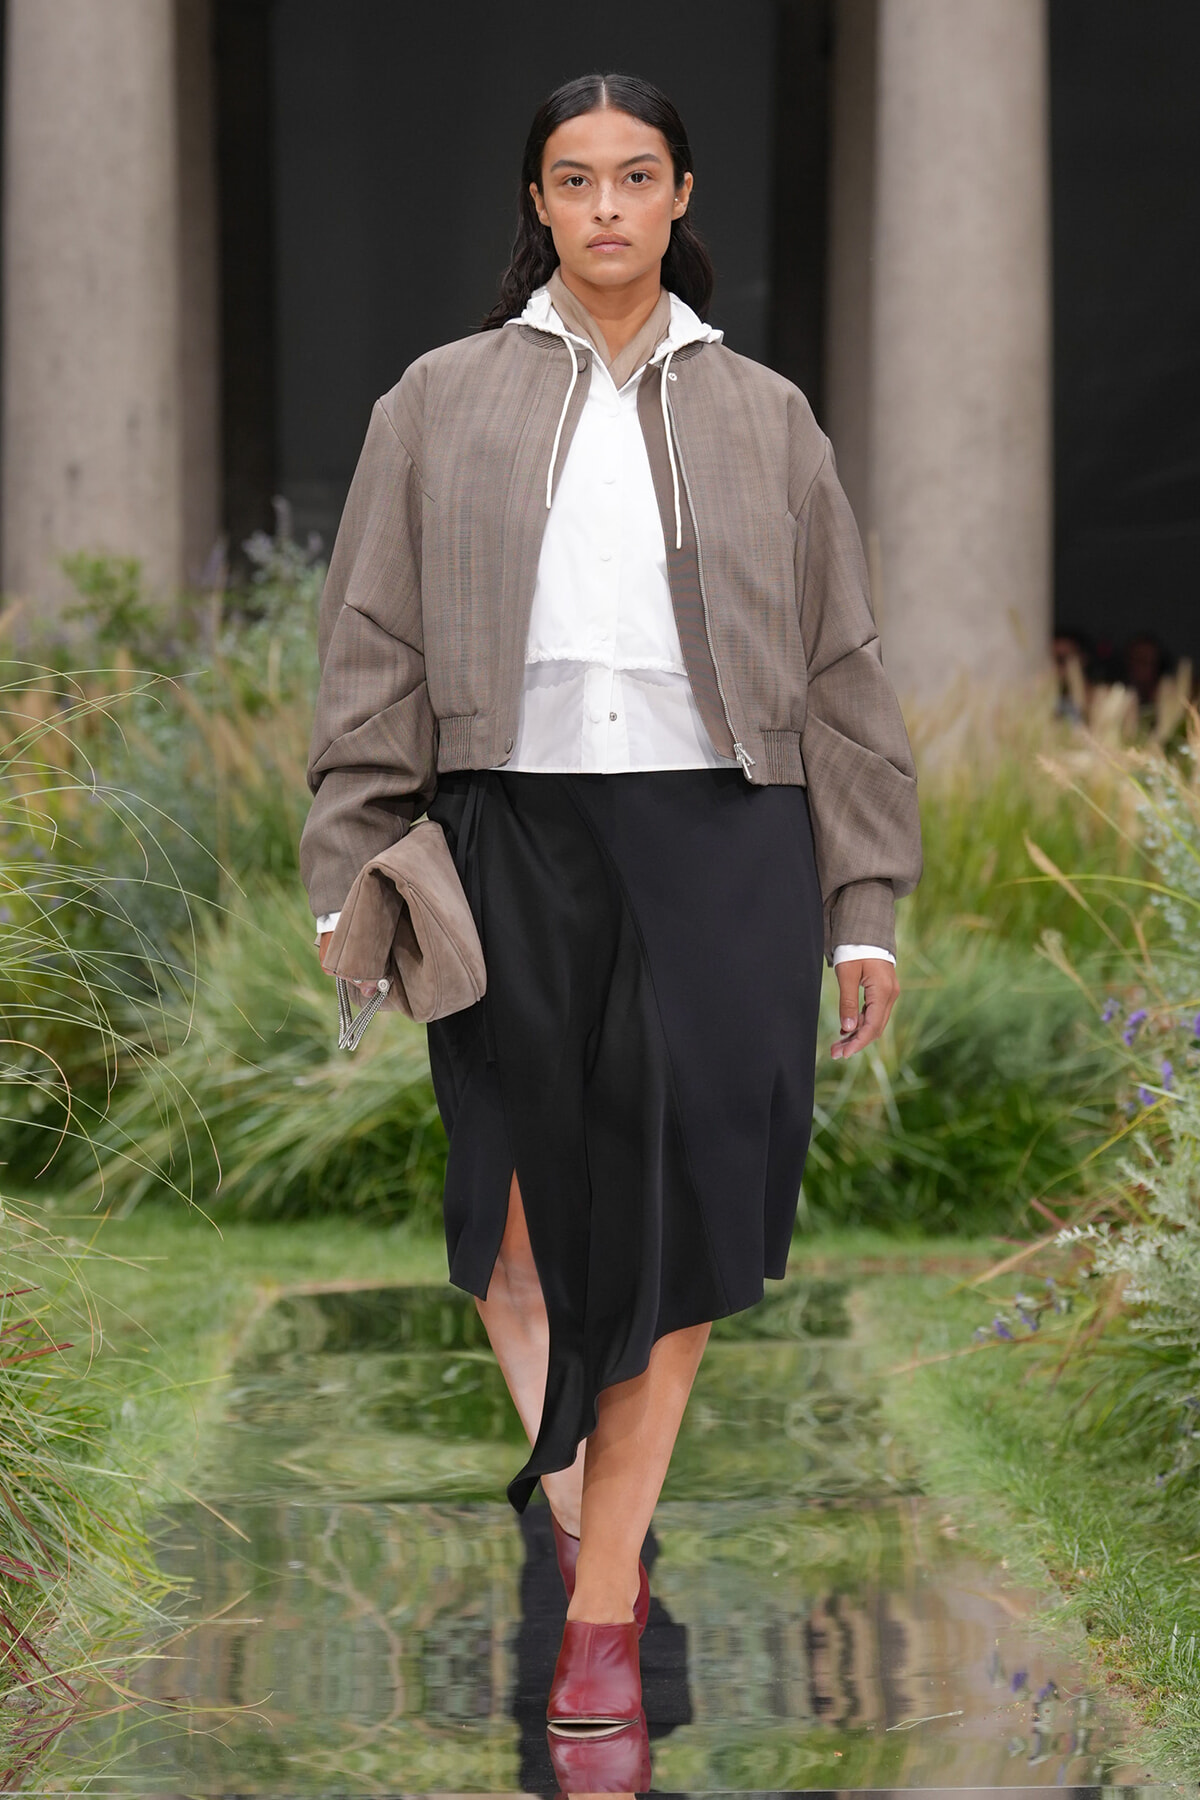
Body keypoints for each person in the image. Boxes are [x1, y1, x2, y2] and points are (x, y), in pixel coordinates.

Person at [300, 71, 922, 1743]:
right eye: (573, 181)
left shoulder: (766, 414)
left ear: (680, 195)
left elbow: (847, 669)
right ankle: (600, 1527)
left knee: (679, 1224)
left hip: (726, 837)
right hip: (507, 830)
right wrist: (351, 853)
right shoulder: (437, 400)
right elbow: (371, 647)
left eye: (635, 178)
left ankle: (596, 1620)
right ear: (539, 204)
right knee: (512, 1225)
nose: (605, 210)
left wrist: (860, 900)